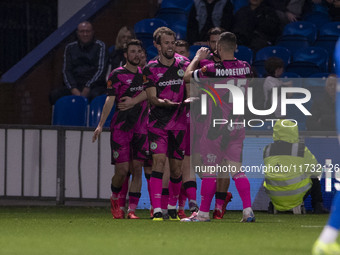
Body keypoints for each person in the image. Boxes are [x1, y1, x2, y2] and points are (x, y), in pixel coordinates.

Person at [182, 32, 255, 222]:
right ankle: (248, 211)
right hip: (237, 125)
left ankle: (203, 213)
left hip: (216, 127)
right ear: (235, 47)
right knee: (237, 170)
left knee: (209, 170)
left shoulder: (212, 69)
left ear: (219, 48)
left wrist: (198, 58)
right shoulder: (246, 67)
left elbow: (187, 76)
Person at [92, 39, 148, 219]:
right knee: (122, 171)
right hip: (121, 128)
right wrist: (100, 124)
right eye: (133, 51)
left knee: (137, 169)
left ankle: (132, 210)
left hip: (141, 128)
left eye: (139, 51)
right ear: (126, 55)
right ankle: (114, 197)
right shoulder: (117, 74)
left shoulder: (146, 75)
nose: (136, 55)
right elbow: (110, 99)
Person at [143, 27, 190, 221]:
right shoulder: (150, 69)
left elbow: (193, 84)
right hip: (158, 122)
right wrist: (164, 103)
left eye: (172, 42)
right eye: (166, 43)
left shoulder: (184, 64)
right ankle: (156, 209)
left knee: (177, 169)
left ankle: (172, 207)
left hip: (179, 122)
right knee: (159, 162)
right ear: (157, 45)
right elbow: (152, 98)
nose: (171, 46)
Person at [263, 119, 329, 214]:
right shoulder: (301, 149)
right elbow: (316, 170)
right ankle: (318, 206)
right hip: (295, 194)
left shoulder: (267, 149)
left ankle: (272, 205)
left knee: (272, 176)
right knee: (313, 176)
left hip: (274, 195)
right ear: (294, 131)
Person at [49, 21, 108, 105]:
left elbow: (101, 70)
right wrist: (73, 88)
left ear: (92, 32)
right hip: (76, 84)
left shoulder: (100, 46)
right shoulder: (70, 47)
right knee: (55, 94)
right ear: (77, 33)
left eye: (88, 31)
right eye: (82, 31)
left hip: (94, 85)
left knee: (96, 95)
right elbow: (66, 71)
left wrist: (88, 86)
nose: (85, 34)